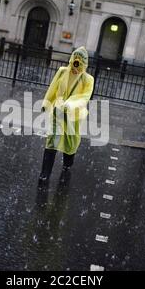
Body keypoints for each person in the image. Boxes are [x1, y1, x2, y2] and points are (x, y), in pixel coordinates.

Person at [39, 46, 94, 185]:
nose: (76, 65)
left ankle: (68, 163)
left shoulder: (88, 79)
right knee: (52, 141)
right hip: (57, 112)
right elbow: (53, 87)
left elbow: (85, 97)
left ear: (84, 64)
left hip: (73, 116)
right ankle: (44, 174)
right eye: (75, 61)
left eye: (80, 63)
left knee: (71, 142)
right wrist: (47, 103)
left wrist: (70, 104)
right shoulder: (62, 71)